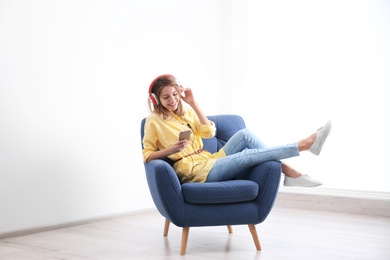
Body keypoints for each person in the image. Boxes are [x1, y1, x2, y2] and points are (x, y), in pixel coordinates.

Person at [142, 74, 332, 187]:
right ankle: (305, 146)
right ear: (156, 100)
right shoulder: (153, 121)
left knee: (245, 135)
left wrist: (192, 102)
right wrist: (171, 150)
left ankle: (289, 171)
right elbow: (147, 155)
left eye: (175, 94)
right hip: (195, 173)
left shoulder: (185, 110)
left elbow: (209, 133)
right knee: (246, 155)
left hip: (209, 159)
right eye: (166, 97)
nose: (173, 100)